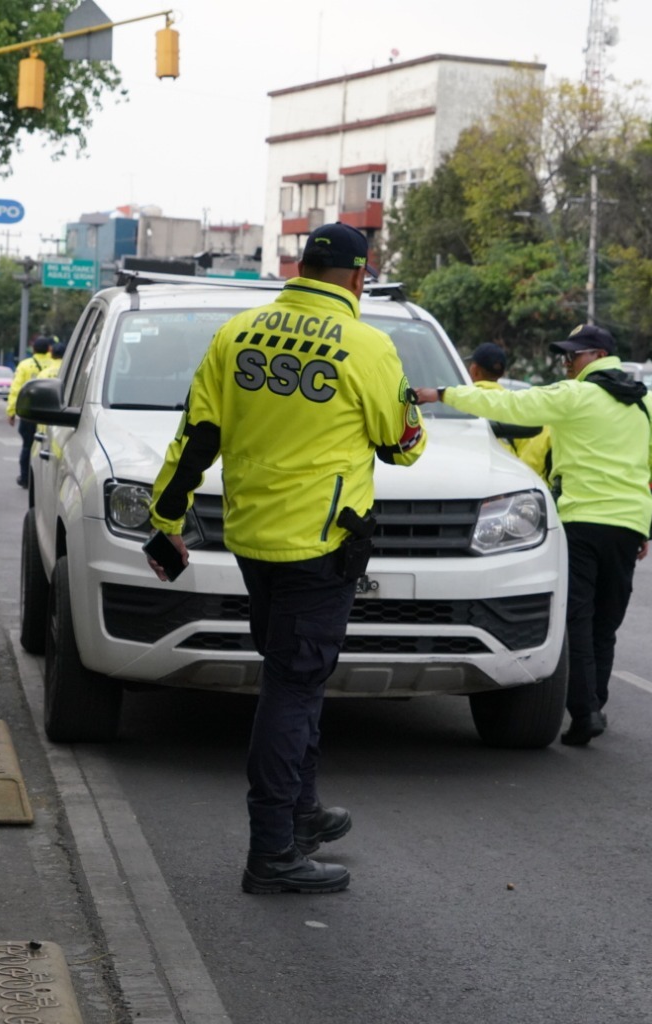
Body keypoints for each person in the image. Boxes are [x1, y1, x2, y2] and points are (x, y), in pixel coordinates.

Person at [146, 222, 427, 894]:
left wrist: (165, 519)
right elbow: (401, 444)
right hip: (322, 543)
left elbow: (197, 434)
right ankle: (272, 849)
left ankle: (301, 814)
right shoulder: (368, 346)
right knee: (294, 689)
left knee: (293, 677)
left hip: (253, 538)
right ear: (360, 276)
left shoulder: (237, 333)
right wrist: (407, 417)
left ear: (302, 266)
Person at [412, 324, 652, 746]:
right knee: (606, 622)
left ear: (593, 355)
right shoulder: (646, 401)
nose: (566, 364)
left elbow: (512, 405)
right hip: (629, 526)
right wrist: (630, 471)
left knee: (577, 617)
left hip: (582, 521)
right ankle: (596, 704)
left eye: (571, 357)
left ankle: (585, 711)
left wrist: (442, 394)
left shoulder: (574, 396)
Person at [464, 342, 553, 485]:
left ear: (474, 370)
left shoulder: (459, 403)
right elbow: (537, 451)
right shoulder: (518, 405)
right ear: (502, 373)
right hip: (510, 490)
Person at [6, 334, 62, 489]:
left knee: (28, 446)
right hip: (54, 414)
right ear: (49, 350)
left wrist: (11, 411)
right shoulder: (59, 366)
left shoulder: (25, 365)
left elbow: (16, 389)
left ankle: (25, 477)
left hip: (30, 413)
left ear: (33, 349)